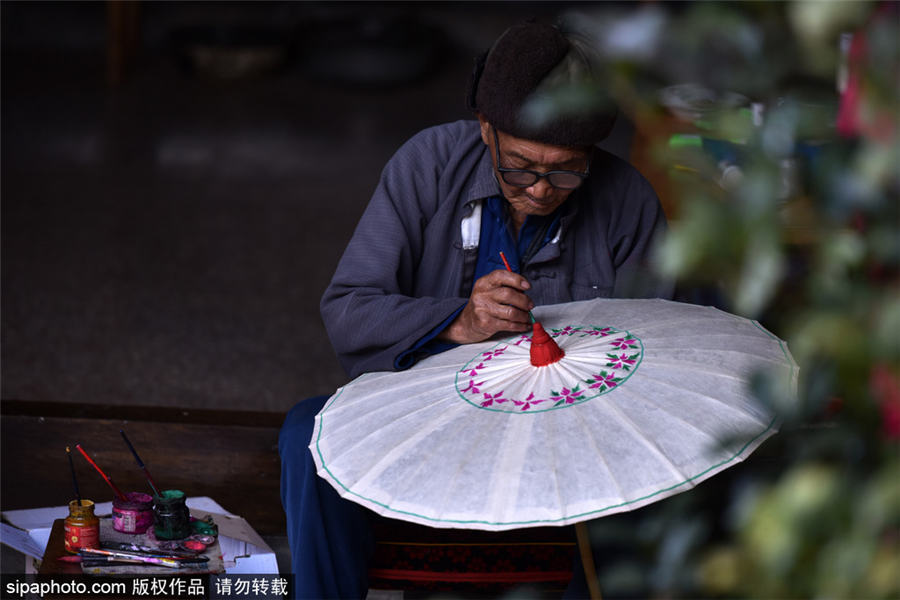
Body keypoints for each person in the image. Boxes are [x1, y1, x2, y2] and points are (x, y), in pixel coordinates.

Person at [279, 20, 672, 599]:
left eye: (566, 169)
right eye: (520, 166)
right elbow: (349, 308)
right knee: (305, 436)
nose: (541, 190)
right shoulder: (428, 166)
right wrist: (459, 320)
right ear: (486, 130)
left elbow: (661, 350)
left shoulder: (626, 200)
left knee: (648, 474)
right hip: (429, 418)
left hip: (567, 441)